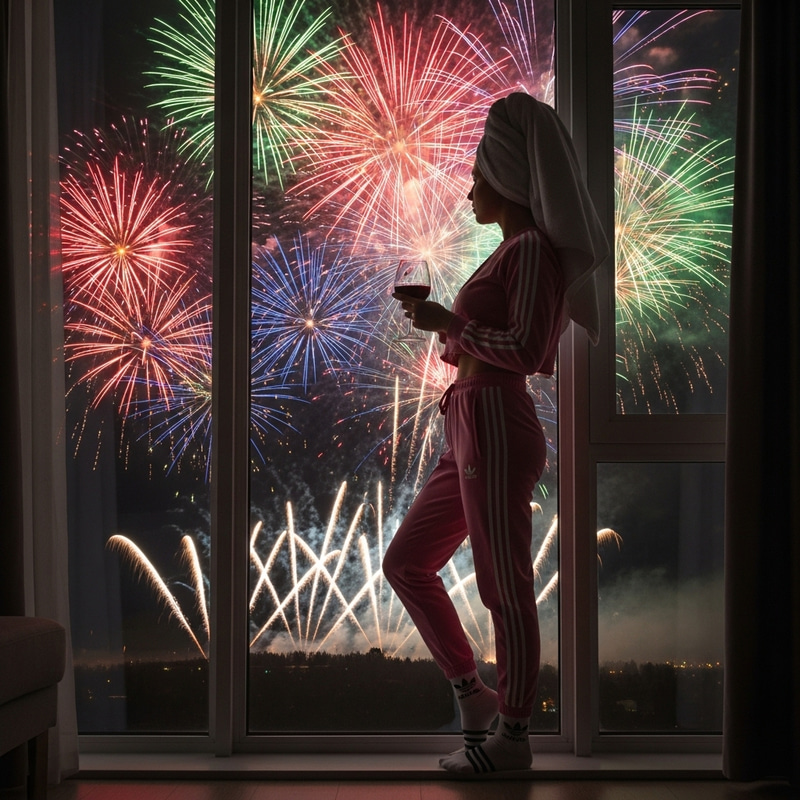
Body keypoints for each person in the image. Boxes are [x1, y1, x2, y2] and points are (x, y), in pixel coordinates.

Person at [382, 92, 608, 774]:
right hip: (467, 421)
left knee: (503, 584)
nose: (470, 188)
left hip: (497, 421)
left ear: (508, 179)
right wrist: (446, 328)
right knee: (407, 563)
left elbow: (531, 349)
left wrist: (448, 322)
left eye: (480, 176)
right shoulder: (505, 254)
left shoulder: (531, 249)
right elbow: (489, 341)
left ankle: (513, 736)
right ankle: (472, 695)